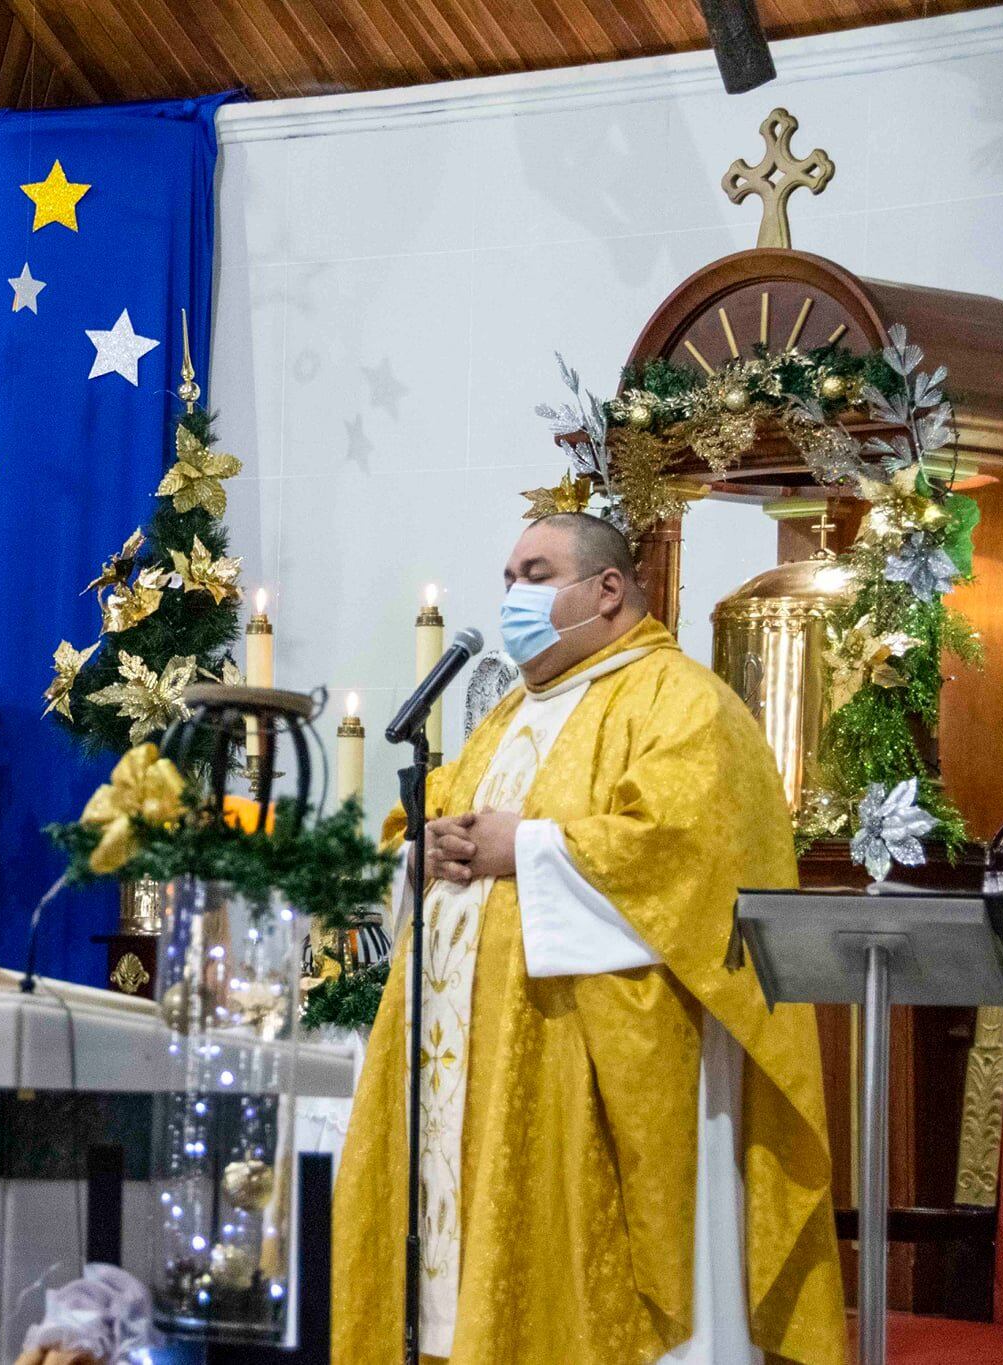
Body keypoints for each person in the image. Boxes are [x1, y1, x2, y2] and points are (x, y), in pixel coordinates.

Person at [332, 514, 846, 1365]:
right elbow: (438, 824)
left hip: (587, 1064)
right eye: (506, 579)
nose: (512, 598)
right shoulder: (504, 716)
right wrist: (424, 848)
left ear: (608, 589)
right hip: (479, 1072)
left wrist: (522, 847)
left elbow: (688, 856)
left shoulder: (680, 701)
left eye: (535, 574)